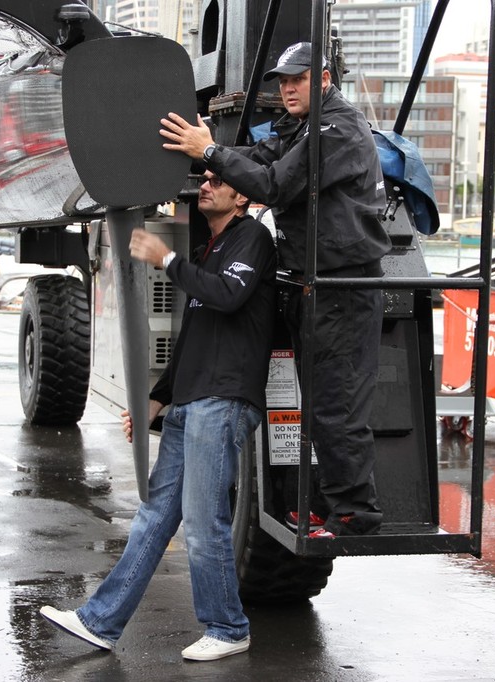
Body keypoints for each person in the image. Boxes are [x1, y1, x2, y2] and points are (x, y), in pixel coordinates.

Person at [40, 171, 276, 662]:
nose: (204, 186)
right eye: (204, 179)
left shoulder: (253, 238)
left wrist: (167, 259)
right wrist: (155, 399)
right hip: (191, 401)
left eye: (216, 181)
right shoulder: (211, 249)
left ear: (242, 196)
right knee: (153, 517)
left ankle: (229, 627)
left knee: (204, 518)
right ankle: (100, 621)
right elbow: (192, 339)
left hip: (224, 399)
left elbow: (227, 297)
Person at [159, 41, 390, 539]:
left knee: (337, 403)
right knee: (319, 402)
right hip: (316, 283)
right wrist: (201, 152)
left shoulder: (337, 128)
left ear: (323, 79)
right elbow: (260, 156)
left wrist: (212, 152)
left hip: (342, 285)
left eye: (297, 79)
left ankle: (354, 514)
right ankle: (331, 504)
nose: (286, 88)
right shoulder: (303, 126)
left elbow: (276, 185)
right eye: (282, 81)